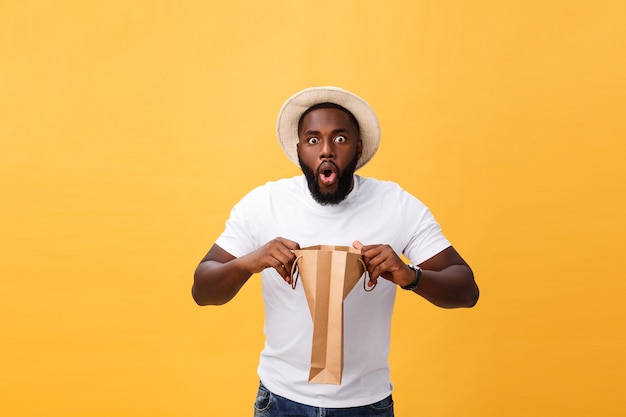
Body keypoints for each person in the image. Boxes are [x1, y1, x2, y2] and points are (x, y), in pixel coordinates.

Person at [192, 86, 479, 416]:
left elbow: (466, 289)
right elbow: (202, 289)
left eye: (340, 139)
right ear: (298, 149)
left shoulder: (396, 205)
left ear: (358, 148)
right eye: (313, 140)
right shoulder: (264, 204)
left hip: (366, 406)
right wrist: (250, 261)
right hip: (280, 401)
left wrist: (408, 275)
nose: (326, 150)